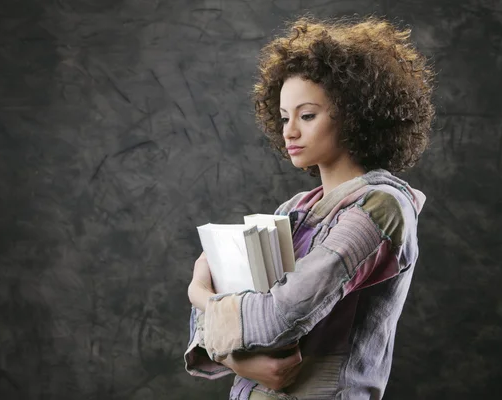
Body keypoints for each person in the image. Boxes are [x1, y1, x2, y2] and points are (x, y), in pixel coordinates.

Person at [185, 15, 435, 400]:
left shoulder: (381, 208)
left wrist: (199, 293)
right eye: (285, 117)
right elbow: (210, 334)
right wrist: (240, 363)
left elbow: (279, 318)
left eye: (306, 115)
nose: (289, 131)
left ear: (355, 115)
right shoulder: (294, 209)